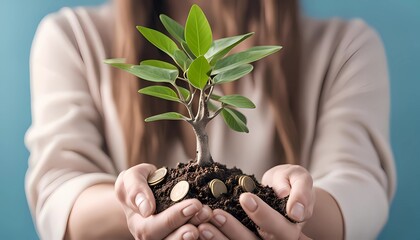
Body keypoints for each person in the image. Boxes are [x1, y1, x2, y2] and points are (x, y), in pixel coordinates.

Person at [25, 0, 396, 239]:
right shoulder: (73, 38)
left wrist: (287, 209)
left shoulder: (345, 47)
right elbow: (58, 193)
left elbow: (360, 188)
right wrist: (139, 207)